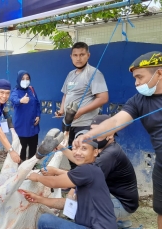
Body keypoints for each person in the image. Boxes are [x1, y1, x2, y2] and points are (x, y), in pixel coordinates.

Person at [74, 51, 162, 228]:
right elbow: (115, 121)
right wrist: (88, 135)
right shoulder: (139, 100)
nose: (136, 83)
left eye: (139, 77)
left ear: (159, 73)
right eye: (134, 78)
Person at [22, 130, 117, 229]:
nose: (78, 152)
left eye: (84, 148)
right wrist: (39, 199)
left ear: (95, 152)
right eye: (75, 148)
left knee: (45, 220)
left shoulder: (87, 170)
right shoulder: (93, 169)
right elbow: (66, 203)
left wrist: (37, 177)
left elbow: (54, 182)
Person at [57, 115, 138, 228]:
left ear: (110, 134)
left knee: (82, 211)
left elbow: (80, 177)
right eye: (92, 130)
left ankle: (113, 222)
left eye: (99, 130)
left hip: (122, 203)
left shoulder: (110, 154)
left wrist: (56, 173)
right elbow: (82, 168)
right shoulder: (103, 149)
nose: (93, 135)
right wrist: (61, 147)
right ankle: (116, 223)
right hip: (112, 196)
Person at [55, 42, 108, 170]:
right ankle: (74, 180)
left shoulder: (94, 73)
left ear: (88, 55)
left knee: (83, 155)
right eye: (75, 55)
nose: (78, 58)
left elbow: (103, 98)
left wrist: (81, 112)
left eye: (82, 55)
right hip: (67, 123)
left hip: (84, 124)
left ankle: (83, 184)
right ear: (71, 56)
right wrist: (61, 110)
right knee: (70, 152)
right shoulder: (71, 74)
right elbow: (66, 95)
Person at [10, 70, 41, 162]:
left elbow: (38, 104)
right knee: (21, 149)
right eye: (23, 79)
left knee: (33, 148)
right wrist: (21, 100)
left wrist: (38, 116)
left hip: (33, 126)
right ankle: (20, 168)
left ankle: (31, 166)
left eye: (27, 78)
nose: (25, 80)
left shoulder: (32, 90)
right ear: (19, 80)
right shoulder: (15, 91)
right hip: (21, 126)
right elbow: (13, 99)